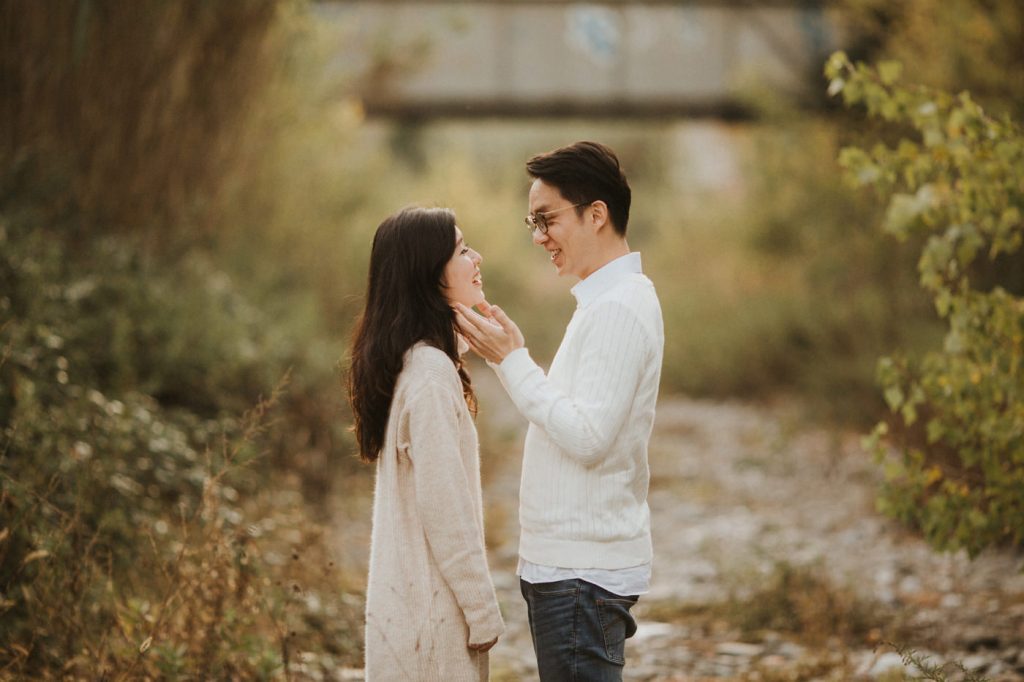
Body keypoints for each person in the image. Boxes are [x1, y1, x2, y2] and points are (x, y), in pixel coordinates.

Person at [455, 141, 664, 681]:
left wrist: (512, 361)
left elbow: (588, 436)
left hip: (582, 573)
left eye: (547, 219)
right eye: (532, 221)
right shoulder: (603, 303)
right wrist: (511, 361)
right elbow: (576, 415)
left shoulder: (619, 308)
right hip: (572, 569)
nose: (538, 236)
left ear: (597, 214)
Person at [348, 207, 504, 681]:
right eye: (461, 250)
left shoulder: (417, 364)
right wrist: (482, 609)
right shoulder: (431, 376)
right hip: (431, 624)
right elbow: (445, 505)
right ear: (428, 275)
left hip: (411, 611)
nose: (476, 258)